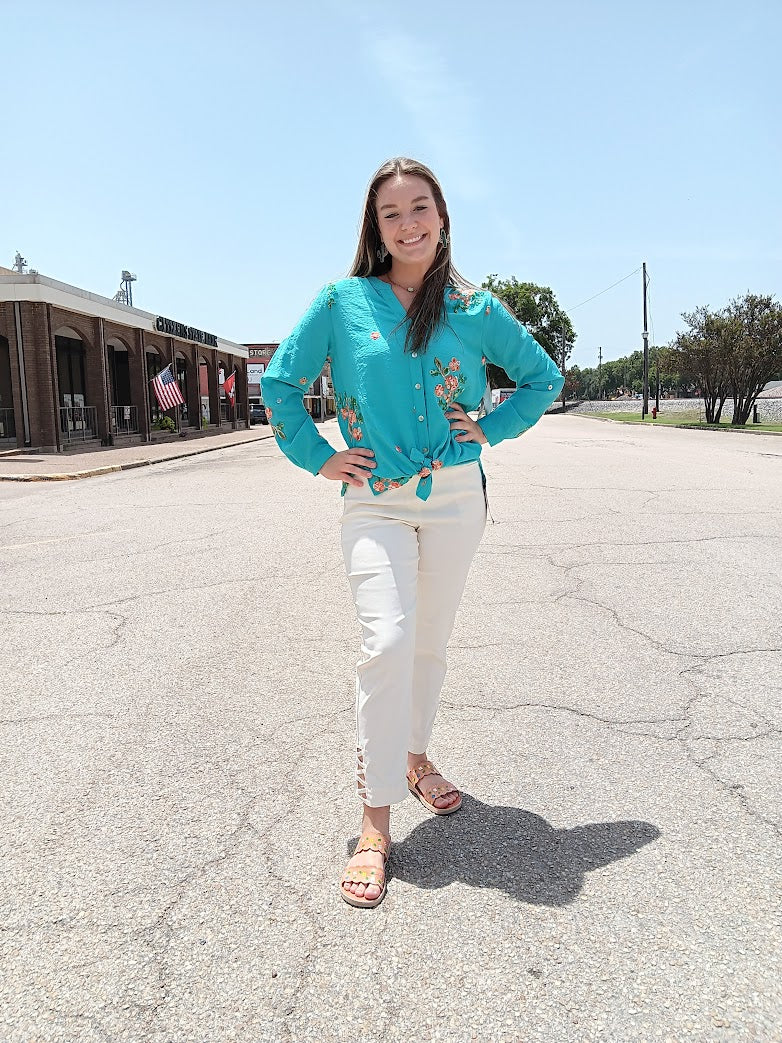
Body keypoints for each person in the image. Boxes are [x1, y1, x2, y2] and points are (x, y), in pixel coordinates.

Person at [261, 157, 564, 909]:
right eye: (391, 214)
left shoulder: (474, 304)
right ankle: (374, 824)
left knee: (429, 643)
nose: (408, 224)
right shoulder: (343, 301)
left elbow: (543, 378)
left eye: (420, 208)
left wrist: (487, 430)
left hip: (459, 497)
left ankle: (417, 754)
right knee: (387, 642)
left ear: (443, 216)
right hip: (375, 500)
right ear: (375, 227)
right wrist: (320, 456)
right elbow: (279, 383)